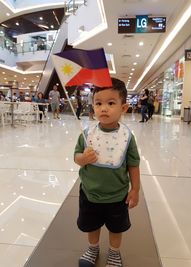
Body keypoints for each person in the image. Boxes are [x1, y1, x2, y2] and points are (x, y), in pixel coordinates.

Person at [74, 78, 140, 267]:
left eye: (111, 103)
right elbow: (76, 157)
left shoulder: (127, 137)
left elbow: (133, 165)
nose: (104, 108)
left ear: (124, 108)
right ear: (93, 106)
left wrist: (135, 189)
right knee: (91, 225)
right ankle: (93, 248)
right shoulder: (87, 135)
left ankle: (114, 252)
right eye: (99, 103)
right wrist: (82, 159)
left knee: (116, 228)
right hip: (90, 193)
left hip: (117, 196)